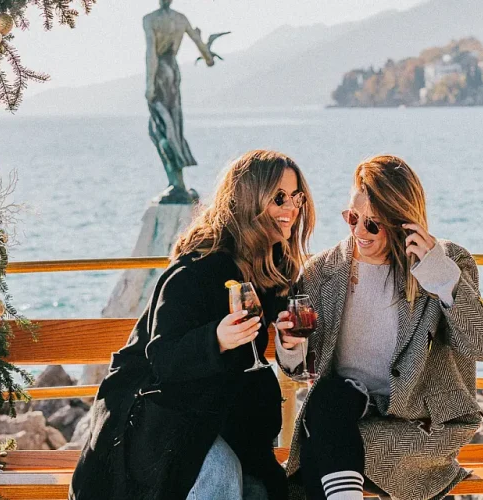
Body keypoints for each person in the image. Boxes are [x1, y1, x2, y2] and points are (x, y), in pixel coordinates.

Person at [69, 150, 315, 500]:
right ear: (249, 200)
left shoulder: (274, 265)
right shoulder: (196, 269)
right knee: (221, 473)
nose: (291, 208)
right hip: (156, 417)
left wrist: (288, 338)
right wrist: (215, 339)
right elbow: (163, 358)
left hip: (218, 416)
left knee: (260, 490)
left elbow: (280, 342)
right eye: (279, 198)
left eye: (296, 197)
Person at [276, 155, 483, 500]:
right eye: (352, 218)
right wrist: (291, 346)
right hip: (344, 412)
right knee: (329, 401)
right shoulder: (322, 272)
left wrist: (439, 278)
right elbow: (300, 371)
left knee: (322, 447)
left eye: (372, 225)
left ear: (401, 222)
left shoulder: (446, 262)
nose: (358, 233)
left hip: (416, 427)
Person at [144, 0, 215, 203]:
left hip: (159, 73)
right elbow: (203, 51)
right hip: (173, 72)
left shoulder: (150, 19)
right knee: (173, 124)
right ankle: (178, 182)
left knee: (160, 129)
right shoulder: (180, 19)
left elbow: (151, 52)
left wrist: (149, 85)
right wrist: (208, 56)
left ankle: (176, 182)